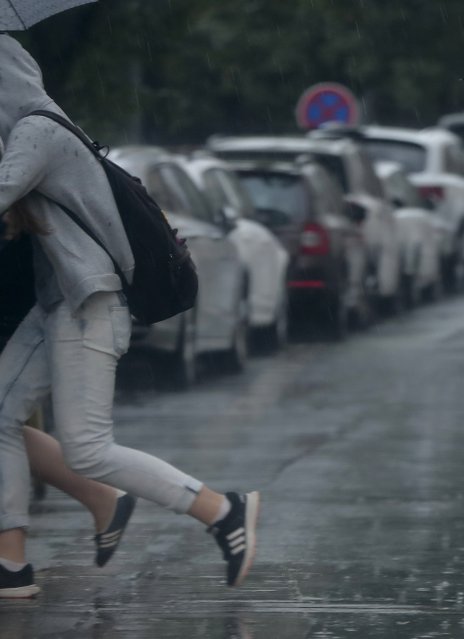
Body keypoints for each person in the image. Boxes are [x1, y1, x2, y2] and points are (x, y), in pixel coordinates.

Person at [0, 35, 259, 599]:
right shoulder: (25, 134)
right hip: (57, 305)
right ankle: (11, 564)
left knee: (87, 448)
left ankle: (221, 508)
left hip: (90, 305)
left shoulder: (38, 130)